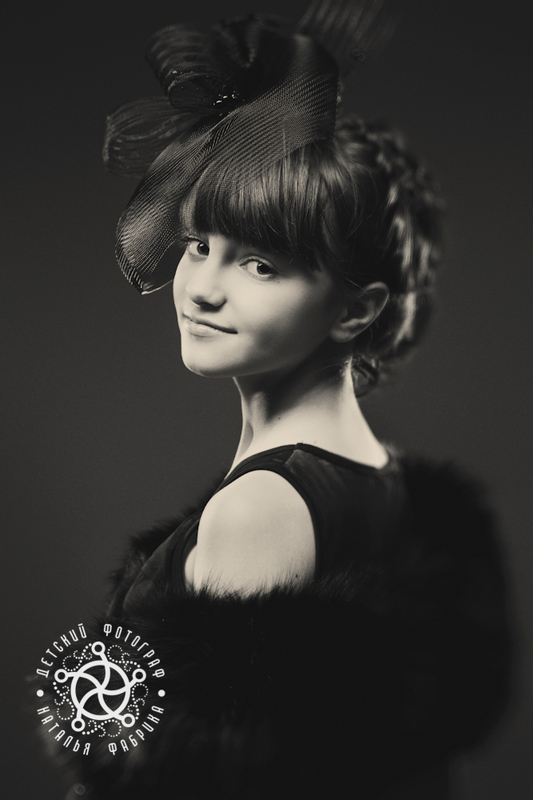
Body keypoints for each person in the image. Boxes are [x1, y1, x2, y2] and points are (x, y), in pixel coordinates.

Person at [43, 2, 513, 799]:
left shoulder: (258, 509)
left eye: (260, 265)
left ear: (357, 310)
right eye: (199, 245)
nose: (202, 289)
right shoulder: (382, 478)